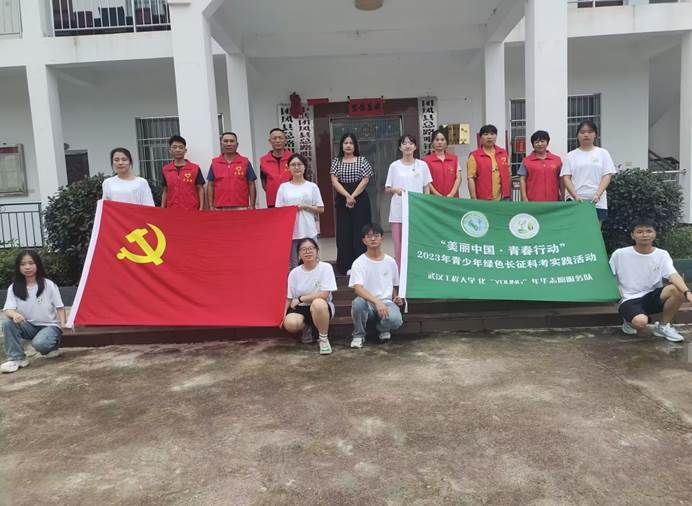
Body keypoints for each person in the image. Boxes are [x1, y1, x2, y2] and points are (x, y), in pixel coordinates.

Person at [609, 218, 688, 342]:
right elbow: (610, 276)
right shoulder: (620, 254)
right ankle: (628, 321)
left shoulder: (662, 254)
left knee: (677, 289)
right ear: (632, 235)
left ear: (654, 234)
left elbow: (673, 274)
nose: (644, 235)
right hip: (628, 299)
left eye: (649, 231)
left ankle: (663, 326)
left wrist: (687, 292)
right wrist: (616, 291)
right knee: (640, 322)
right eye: (639, 232)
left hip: (652, 296)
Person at [1, 250, 66, 373]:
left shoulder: (49, 285)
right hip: (28, 326)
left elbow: (60, 307)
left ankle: (52, 347)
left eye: (31, 263)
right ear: (18, 267)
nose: (27, 267)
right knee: (7, 323)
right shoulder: (13, 287)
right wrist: (14, 314)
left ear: (37, 264)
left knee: (40, 344)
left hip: (49, 326)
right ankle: (17, 358)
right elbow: (8, 309)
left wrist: (63, 325)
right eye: (23, 264)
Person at [349, 223, 403, 349]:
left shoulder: (390, 261)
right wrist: (377, 302)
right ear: (364, 240)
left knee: (396, 320)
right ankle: (358, 335)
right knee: (358, 303)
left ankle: (382, 328)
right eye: (369, 236)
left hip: (386, 303)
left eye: (376, 235)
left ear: (382, 238)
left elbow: (394, 285)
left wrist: (396, 297)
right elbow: (358, 288)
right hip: (368, 303)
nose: (373, 239)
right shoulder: (359, 262)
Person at [282, 238, 337, 355]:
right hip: (301, 308)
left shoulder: (326, 267)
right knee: (290, 323)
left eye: (311, 248)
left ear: (317, 251)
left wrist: (301, 298)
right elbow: (289, 298)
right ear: (299, 253)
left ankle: (323, 339)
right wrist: (282, 315)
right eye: (304, 249)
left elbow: (324, 294)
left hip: (322, 307)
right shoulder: (294, 273)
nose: (307, 252)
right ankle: (308, 328)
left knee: (318, 303)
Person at [385, 134, 432, 269]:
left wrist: (425, 205)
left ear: (415, 147)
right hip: (398, 212)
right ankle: (401, 274)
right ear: (400, 147)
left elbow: (426, 187)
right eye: (404, 143)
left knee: (417, 242)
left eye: (410, 143)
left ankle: (417, 270)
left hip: (417, 211)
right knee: (399, 245)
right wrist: (395, 190)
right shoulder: (394, 166)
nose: (407, 146)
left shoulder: (422, 165)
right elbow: (387, 188)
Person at [330, 133, 373, 275]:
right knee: (344, 232)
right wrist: (347, 196)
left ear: (355, 146)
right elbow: (334, 181)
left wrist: (353, 196)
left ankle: (362, 264)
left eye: (351, 143)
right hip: (342, 198)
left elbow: (365, 180)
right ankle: (345, 266)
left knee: (361, 231)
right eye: (345, 143)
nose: (348, 145)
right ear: (341, 145)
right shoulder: (336, 161)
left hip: (360, 199)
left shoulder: (362, 160)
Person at [561, 120, 616, 222]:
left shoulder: (603, 153)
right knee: (575, 228)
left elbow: (607, 175)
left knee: (595, 229)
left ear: (595, 135)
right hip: (575, 200)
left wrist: (598, 195)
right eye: (582, 132)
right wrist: (575, 196)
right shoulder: (570, 155)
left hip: (597, 201)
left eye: (590, 132)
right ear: (577, 135)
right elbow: (566, 178)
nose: (586, 135)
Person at [275, 154, 325, 269]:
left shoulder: (312, 186)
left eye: (299, 164)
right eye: (293, 165)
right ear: (288, 168)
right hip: (291, 231)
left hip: (308, 229)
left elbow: (321, 209)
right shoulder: (283, 187)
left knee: (311, 260)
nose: (296, 167)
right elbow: (278, 211)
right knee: (293, 263)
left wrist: (305, 206)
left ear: (304, 167)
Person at [207, 132, 257, 210]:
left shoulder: (245, 162)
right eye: (226, 141)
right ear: (221, 144)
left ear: (237, 144)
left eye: (232, 141)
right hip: (220, 207)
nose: (229, 144)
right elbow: (210, 184)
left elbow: (251, 183)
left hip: (242, 206)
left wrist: (252, 205)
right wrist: (210, 206)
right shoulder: (215, 163)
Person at [467, 124, 511, 201]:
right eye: (486, 134)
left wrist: (508, 193)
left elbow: (509, 174)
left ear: (496, 136)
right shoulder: (474, 156)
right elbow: (471, 178)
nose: (489, 137)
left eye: (492, 134)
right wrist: (473, 198)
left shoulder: (503, 153)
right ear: (480, 137)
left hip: (503, 197)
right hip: (483, 198)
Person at [161, 135, 205, 210]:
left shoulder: (195, 168)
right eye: (174, 147)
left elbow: (200, 189)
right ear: (170, 150)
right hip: (172, 210)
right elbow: (165, 190)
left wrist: (201, 208)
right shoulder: (166, 170)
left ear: (185, 150)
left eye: (181, 147)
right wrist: (162, 207)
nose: (178, 150)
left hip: (191, 210)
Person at [518, 130, 563, 202]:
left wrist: (563, 195)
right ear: (533, 144)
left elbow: (561, 179)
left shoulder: (557, 160)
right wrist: (524, 197)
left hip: (553, 201)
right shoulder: (526, 161)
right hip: (533, 202)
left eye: (542, 141)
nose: (540, 144)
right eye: (536, 142)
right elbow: (522, 179)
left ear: (547, 143)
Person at [422, 128, 462, 198]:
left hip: (452, 198)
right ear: (432, 143)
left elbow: (458, 178)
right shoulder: (426, 160)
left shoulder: (454, 159)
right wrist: (437, 195)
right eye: (437, 140)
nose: (439, 142)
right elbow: (426, 181)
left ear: (446, 142)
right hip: (434, 199)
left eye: (442, 140)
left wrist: (452, 194)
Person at [259, 128, 293, 208]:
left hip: (292, 200)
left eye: (280, 138)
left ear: (285, 140)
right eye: (274, 138)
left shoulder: (293, 158)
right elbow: (264, 182)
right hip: (273, 201)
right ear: (270, 141)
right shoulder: (264, 160)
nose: (277, 141)